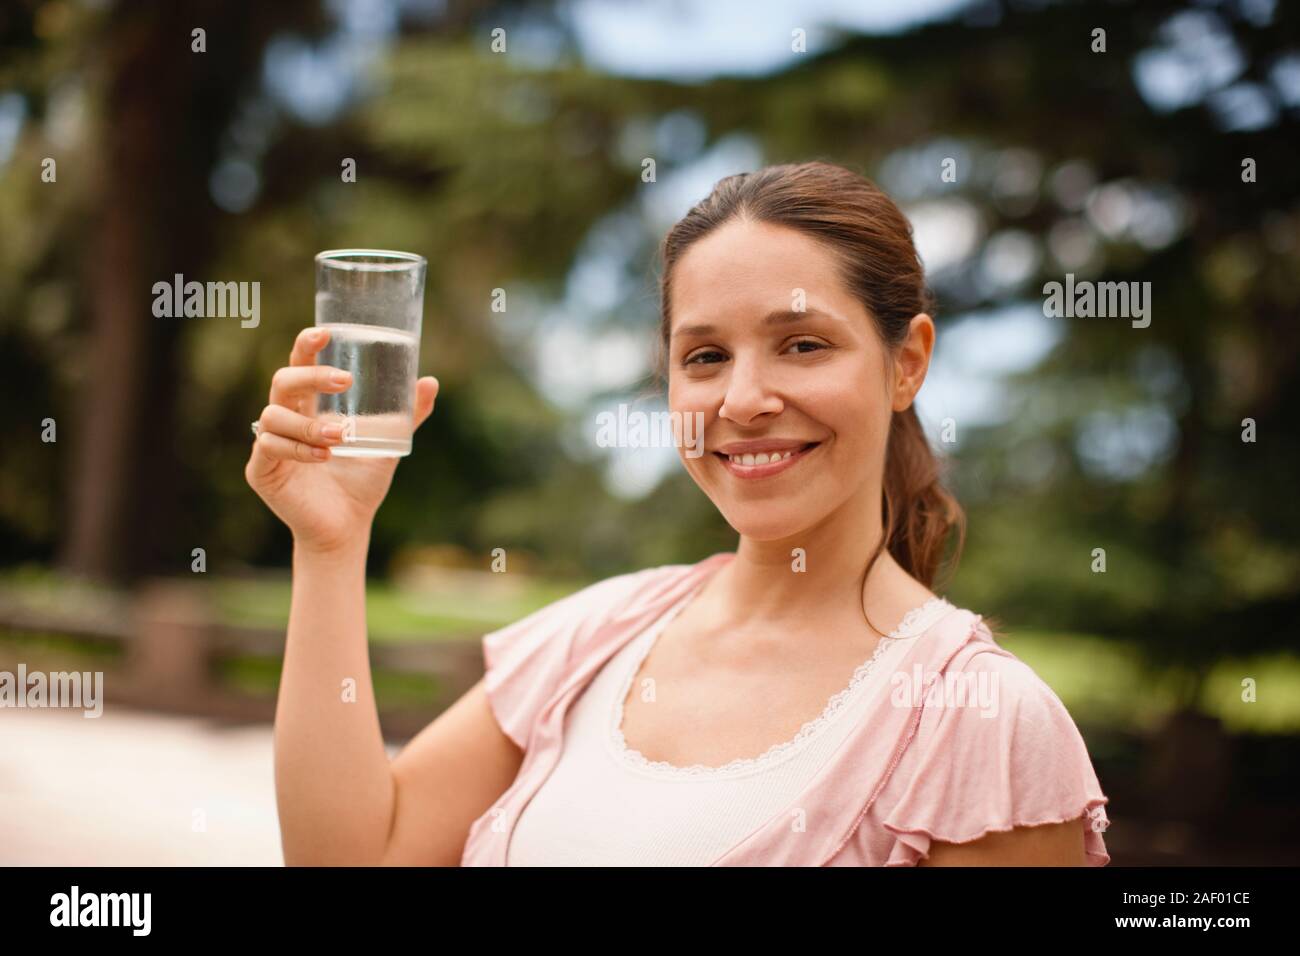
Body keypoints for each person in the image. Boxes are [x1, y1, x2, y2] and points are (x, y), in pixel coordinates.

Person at [245, 160, 1110, 867]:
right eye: (705, 356)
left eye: (802, 344)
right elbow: (351, 858)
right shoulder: (597, 636)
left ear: (907, 362)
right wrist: (331, 545)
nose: (743, 399)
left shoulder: (983, 719)